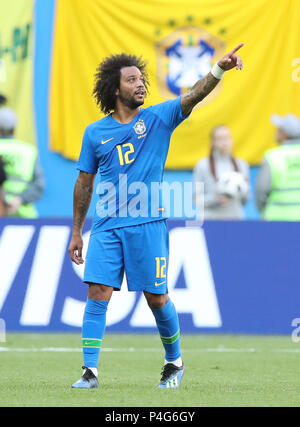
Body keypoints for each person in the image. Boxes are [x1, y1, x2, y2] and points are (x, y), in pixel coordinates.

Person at [68, 44, 244, 389]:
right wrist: (77, 230)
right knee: (98, 292)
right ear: (115, 89)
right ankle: (89, 373)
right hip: (106, 226)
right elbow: (84, 183)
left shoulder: (158, 118)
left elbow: (193, 95)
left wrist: (219, 69)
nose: (140, 84)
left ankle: (173, 363)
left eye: (142, 79)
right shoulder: (95, 133)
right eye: (131, 80)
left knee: (157, 298)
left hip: (148, 225)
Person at [193, 125, 250, 219]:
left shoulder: (242, 165)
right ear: (213, 142)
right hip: (211, 220)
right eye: (220, 139)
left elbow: (246, 200)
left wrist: (243, 187)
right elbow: (195, 198)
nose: (225, 143)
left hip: (235, 219)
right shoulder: (202, 165)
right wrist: (215, 199)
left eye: (227, 138)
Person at [0, 107, 44, 218]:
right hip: (24, 215)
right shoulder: (29, 151)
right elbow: (39, 185)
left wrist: (4, 200)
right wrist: (20, 199)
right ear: (14, 128)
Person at [256, 114, 300, 221]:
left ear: (284, 134)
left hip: (277, 219)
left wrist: (263, 210)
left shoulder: (272, 156)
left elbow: (261, 191)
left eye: (278, 130)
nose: (275, 132)